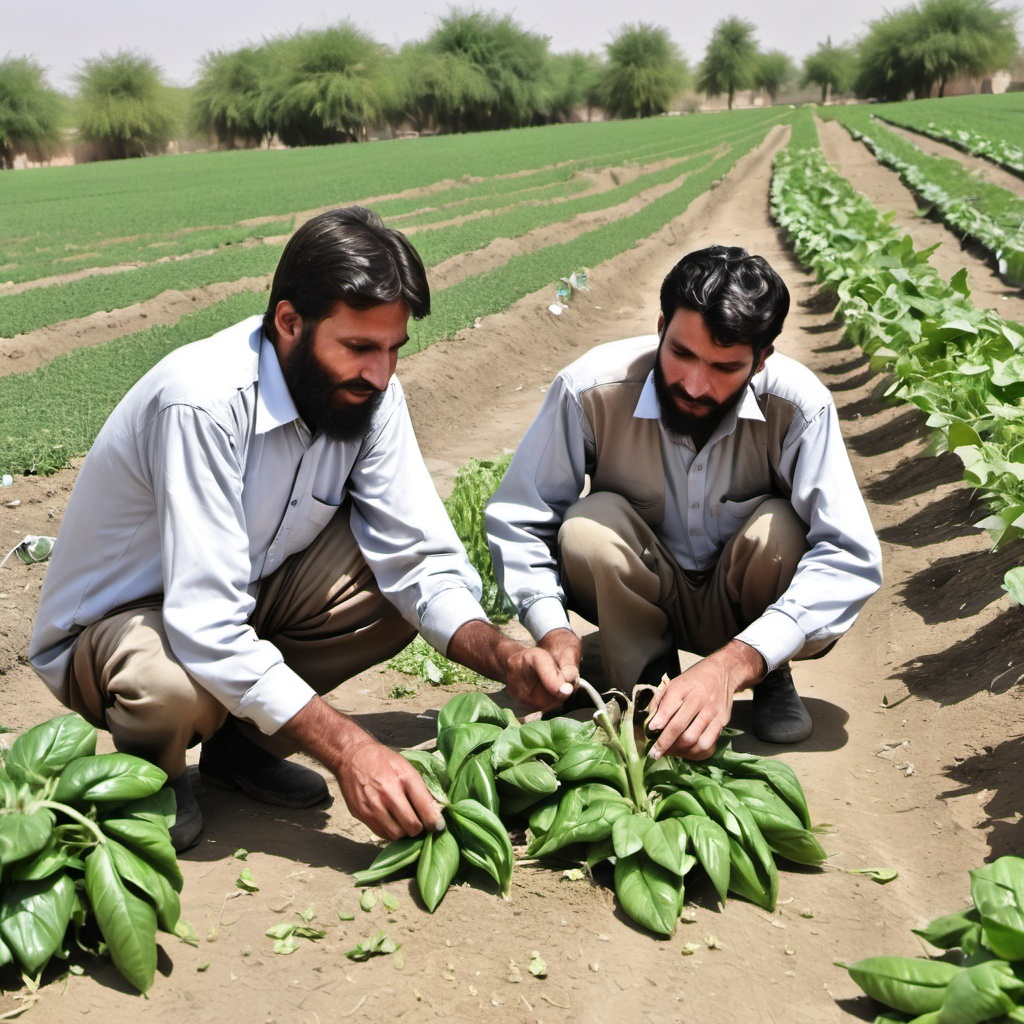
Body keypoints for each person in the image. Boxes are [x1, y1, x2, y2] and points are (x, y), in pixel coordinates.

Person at [29, 206, 569, 853]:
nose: (381, 373)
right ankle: (148, 775)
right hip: (119, 627)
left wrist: (503, 655)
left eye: (394, 349)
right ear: (288, 323)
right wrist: (348, 750)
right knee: (172, 685)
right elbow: (205, 621)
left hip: (239, 591)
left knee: (395, 594)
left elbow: (419, 561)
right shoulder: (202, 402)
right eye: (359, 347)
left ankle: (242, 747)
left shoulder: (368, 392)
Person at [485, 244, 883, 760]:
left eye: (724, 367)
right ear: (660, 328)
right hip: (643, 591)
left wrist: (735, 662)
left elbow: (850, 556)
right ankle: (645, 679)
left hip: (746, 604)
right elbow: (522, 519)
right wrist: (553, 629)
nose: (695, 384)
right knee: (587, 526)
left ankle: (768, 673)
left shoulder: (798, 406)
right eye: (682, 354)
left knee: (781, 528)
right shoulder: (591, 388)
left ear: (762, 360)